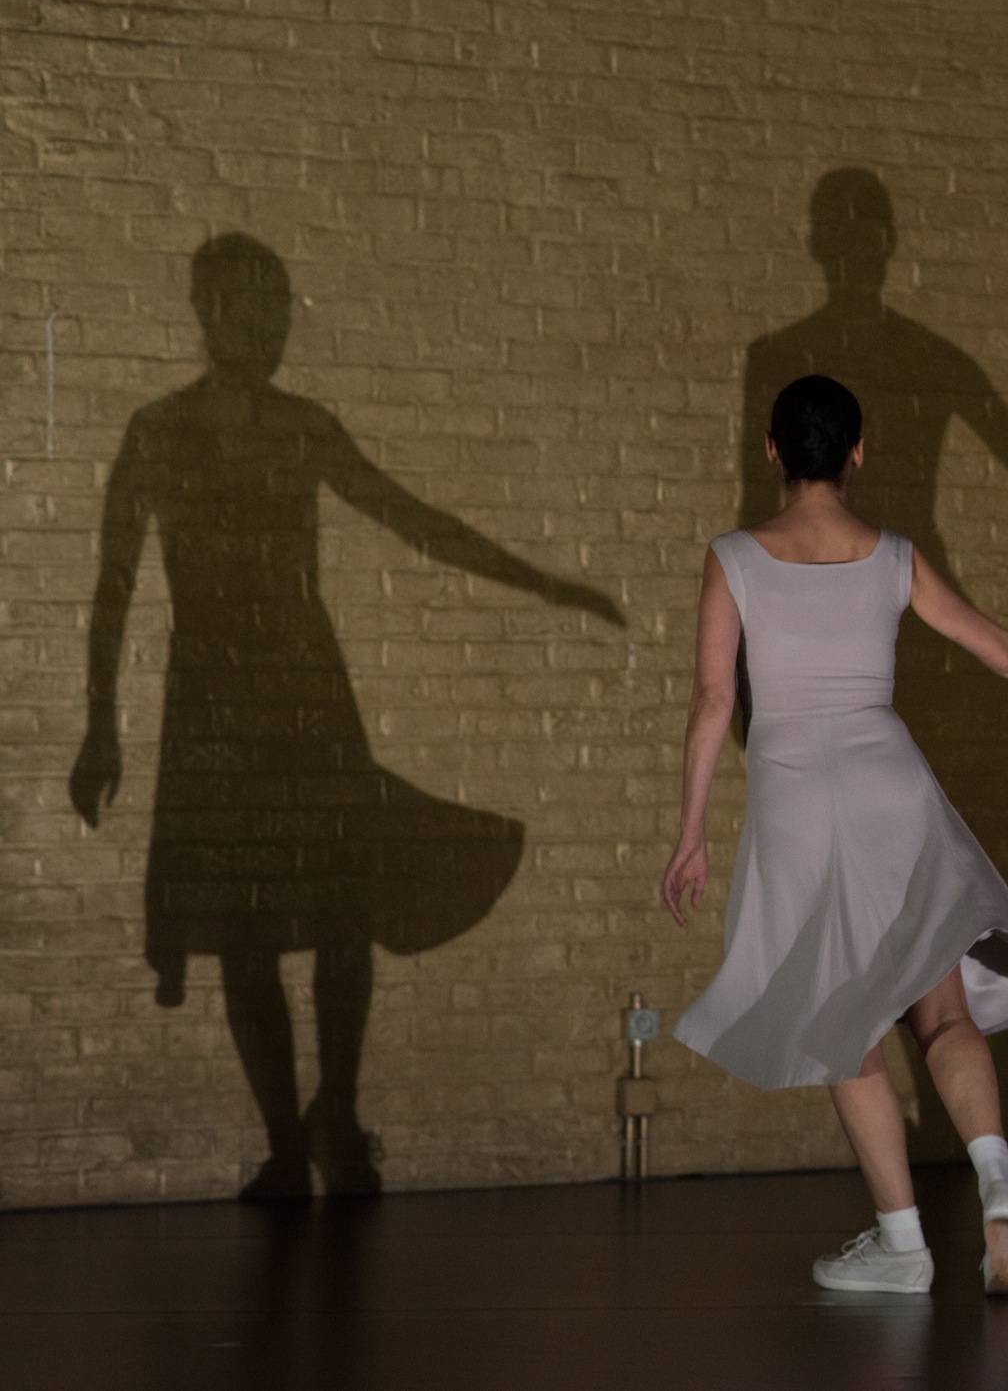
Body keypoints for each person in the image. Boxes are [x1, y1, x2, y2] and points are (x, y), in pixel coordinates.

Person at [69, 233, 622, 1200]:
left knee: (340, 908)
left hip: (303, 696)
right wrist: (101, 724)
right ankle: (287, 1144)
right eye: (248, 304)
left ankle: (338, 1111)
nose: (267, 324)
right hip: (214, 706)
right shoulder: (158, 432)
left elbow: (413, 520)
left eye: (278, 305)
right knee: (244, 930)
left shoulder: (301, 427)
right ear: (208, 313)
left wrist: (543, 584)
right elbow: (113, 585)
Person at [662, 375, 1008, 1295]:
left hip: (797, 797)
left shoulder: (734, 558)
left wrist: (690, 833)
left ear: (773, 452)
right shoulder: (893, 555)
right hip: (892, 786)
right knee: (943, 1013)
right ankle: (997, 1189)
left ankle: (903, 1242)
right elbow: (1005, 651)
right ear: (859, 455)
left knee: (843, 1027)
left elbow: (715, 701)